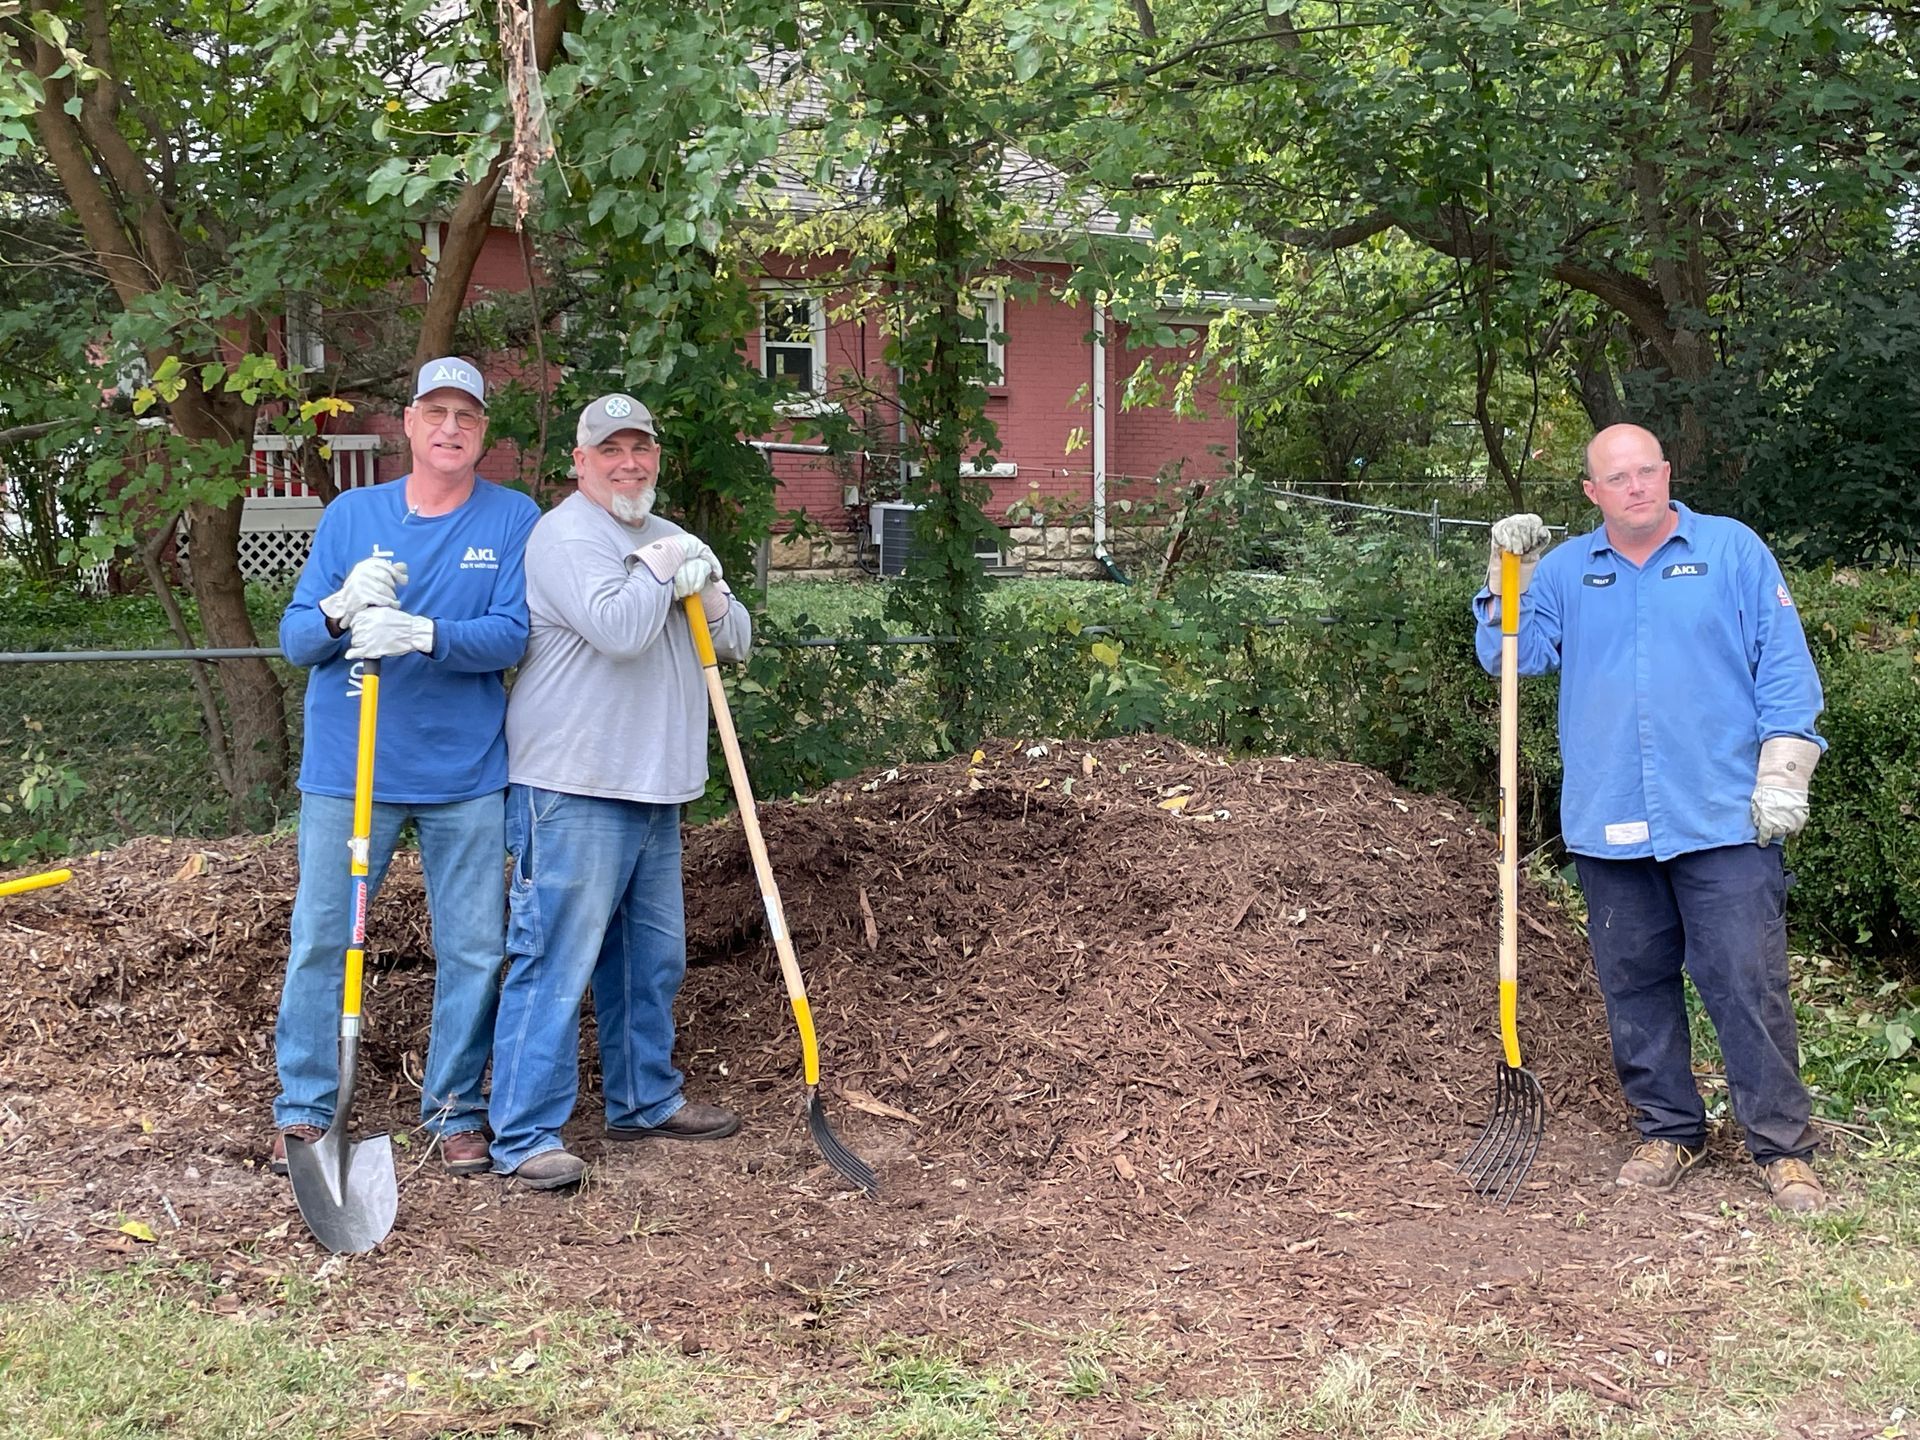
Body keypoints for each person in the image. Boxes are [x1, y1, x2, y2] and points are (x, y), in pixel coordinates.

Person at [1474, 424, 1829, 1211]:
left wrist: (1784, 771)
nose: (1636, 486)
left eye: (1646, 471)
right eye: (1617, 477)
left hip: (1724, 818)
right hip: (1611, 818)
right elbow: (1510, 658)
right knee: (1633, 985)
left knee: (1746, 982)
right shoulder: (1566, 571)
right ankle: (1668, 1129)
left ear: (1667, 473)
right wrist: (1512, 578)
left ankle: (1781, 1146)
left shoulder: (1733, 552)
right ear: (1592, 494)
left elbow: (1785, 668)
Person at [272, 356, 539, 1177]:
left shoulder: (512, 518)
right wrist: (340, 605)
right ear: (409, 424)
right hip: (351, 773)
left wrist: (424, 633)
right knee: (323, 939)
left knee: (474, 950)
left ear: (482, 432)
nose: (450, 428)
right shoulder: (353, 515)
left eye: (466, 416)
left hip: (465, 774)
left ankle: (455, 1110)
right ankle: (308, 1110)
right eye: (436, 413)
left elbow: (514, 634)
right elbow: (296, 643)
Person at [488, 392, 751, 1190]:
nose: (628, 463)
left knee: (652, 959)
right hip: (573, 783)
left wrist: (703, 586)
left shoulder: (673, 536)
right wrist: (662, 570)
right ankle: (526, 1135)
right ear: (581, 462)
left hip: (656, 783)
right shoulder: (564, 536)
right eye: (611, 450)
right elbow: (622, 631)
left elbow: (735, 640)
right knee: (555, 960)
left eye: (640, 448)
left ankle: (643, 1099)